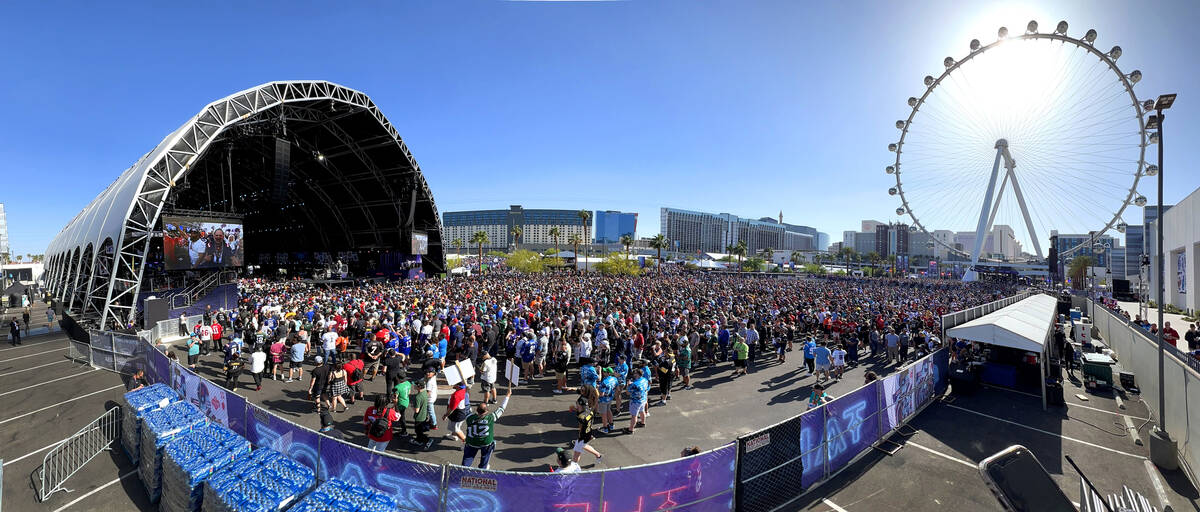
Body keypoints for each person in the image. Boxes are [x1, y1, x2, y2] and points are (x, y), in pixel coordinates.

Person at [461, 382, 513, 469]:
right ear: (486, 411)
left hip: (471, 443)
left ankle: (463, 471)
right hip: (486, 444)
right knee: (485, 458)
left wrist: (466, 393)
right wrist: (507, 396)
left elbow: (466, 405)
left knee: (467, 461)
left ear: (477, 411)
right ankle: (483, 469)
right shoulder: (490, 418)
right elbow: (502, 408)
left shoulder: (469, 417)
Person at [570, 385, 604, 464]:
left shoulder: (583, 404)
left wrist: (574, 409)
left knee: (576, 453)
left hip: (584, 434)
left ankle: (574, 468)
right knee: (580, 447)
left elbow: (581, 416)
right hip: (586, 431)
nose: (581, 391)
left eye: (583, 390)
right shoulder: (589, 400)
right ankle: (598, 455)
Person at [625, 366, 650, 435]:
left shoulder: (634, 384)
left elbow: (627, 393)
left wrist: (628, 385)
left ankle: (631, 430)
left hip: (635, 401)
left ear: (638, 374)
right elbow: (647, 388)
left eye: (635, 373)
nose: (633, 374)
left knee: (634, 415)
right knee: (642, 411)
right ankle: (642, 423)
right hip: (643, 399)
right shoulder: (644, 380)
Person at [410, 379, 433, 450]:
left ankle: (421, 441)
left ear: (419, 386)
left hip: (419, 417)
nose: (414, 385)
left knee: (418, 431)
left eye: (415, 384)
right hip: (424, 414)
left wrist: (412, 406)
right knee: (420, 430)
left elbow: (416, 410)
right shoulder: (425, 393)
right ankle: (421, 439)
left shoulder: (418, 397)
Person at [597, 367, 618, 433]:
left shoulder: (604, 382)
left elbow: (601, 394)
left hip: (603, 400)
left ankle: (605, 428)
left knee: (603, 414)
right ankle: (611, 425)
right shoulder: (614, 379)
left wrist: (596, 394)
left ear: (608, 373)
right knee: (609, 410)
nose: (603, 372)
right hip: (610, 398)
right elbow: (618, 389)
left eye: (605, 372)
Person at [391, 371, 411, 438]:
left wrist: (394, 405)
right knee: (402, 415)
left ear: (398, 378)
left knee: (402, 417)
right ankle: (402, 427)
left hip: (400, 404)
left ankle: (404, 431)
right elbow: (409, 392)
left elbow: (395, 399)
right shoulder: (408, 383)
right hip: (406, 401)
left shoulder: (397, 387)